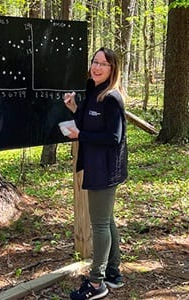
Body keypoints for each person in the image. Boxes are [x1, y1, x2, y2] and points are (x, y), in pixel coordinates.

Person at [63, 47, 128, 300]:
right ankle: (113, 273)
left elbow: (114, 137)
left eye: (103, 64)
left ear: (113, 69)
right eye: (94, 61)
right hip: (94, 163)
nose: (96, 67)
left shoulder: (112, 98)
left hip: (106, 167)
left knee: (100, 223)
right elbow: (87, 121)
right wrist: (73, 108)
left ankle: (96, 283)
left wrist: (82, 136)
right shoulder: (92, 90)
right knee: (107, 219)